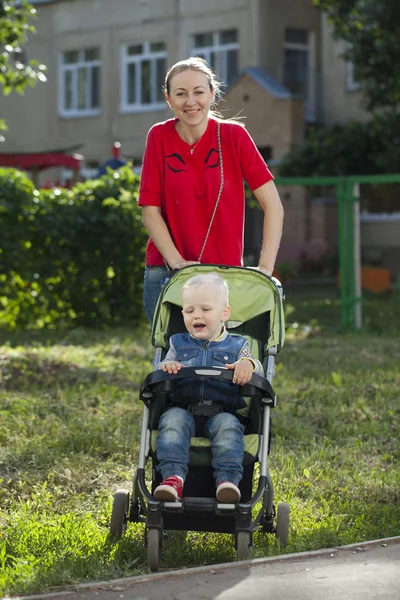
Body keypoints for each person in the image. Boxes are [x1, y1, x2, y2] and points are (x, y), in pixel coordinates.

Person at [138, 56, 284, 324]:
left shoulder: (234, 137)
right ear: (168, 99)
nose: (190, 101)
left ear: (213, 94)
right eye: (180, 94)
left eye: (199, 92)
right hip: (166, 271)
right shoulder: (158, 137)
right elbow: (150, 211)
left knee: (222, 360)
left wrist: (265, 269)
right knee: (171, 360)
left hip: (223, 277)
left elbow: (273, 205)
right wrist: (178, 263)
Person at [153, 273, 263, 504]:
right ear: (182, 313)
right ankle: (173, 478)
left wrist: (247, 364)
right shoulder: (177, 343)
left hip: (222, 411)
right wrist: (167, 365)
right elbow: (160, 368)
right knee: (172, 421)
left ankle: (227, 482)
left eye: (205, 309)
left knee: (229, 428)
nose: (197, 316)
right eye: (190, 310)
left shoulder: (238, 345)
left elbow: (256, 367)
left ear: (225, 313)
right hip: (183, 408)